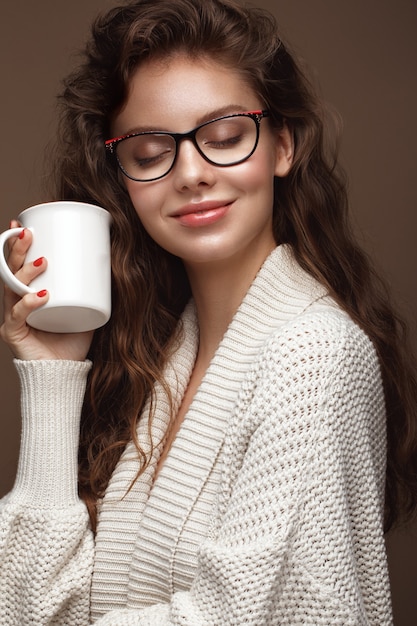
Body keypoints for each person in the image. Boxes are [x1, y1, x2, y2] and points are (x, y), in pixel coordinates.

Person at [0, 0, 416, 623]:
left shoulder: (314, 356)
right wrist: (54, 377)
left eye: (224, 136)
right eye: (148, 153)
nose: (191, 173)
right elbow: (28, 607)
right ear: (123, 180)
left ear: (282, 146)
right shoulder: (164, 360)